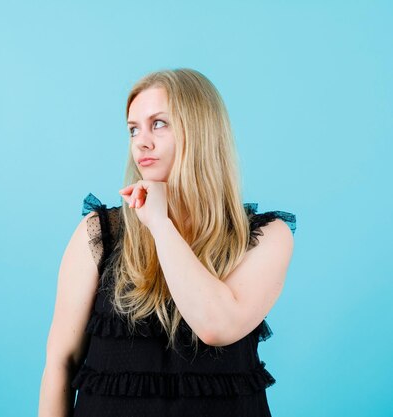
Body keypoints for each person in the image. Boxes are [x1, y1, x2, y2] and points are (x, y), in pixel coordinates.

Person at [38, 68, 296, 417]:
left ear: (200, 130)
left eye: (158, 123)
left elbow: (216, 326)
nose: (142, 141)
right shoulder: (99, 233)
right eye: (133, 129)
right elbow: (60, 363)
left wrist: (160, 223)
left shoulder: (266, 237)